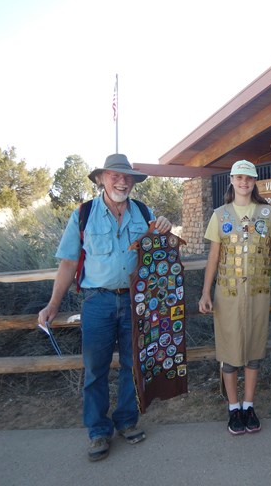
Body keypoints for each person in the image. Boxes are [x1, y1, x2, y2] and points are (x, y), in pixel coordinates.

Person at [38, 154, 172, 461]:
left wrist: (162, 228)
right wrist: (53, 303)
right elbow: (69, 262)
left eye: (127, 177)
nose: (122, 181)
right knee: (95, 369)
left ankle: (126, 421)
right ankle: (98, 431)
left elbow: (156, 252)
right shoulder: (83, 214)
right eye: (115, 175)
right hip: (97, 301)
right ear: (101, 178)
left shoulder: (142, 211)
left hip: (135, 299)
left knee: (130, 365)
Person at [198, 160, 271, 435]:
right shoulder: (220, 215)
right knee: (230, 354)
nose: (244, 182)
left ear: (255, 181)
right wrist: (206, 291)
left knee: (254, 352)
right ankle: (233, 409)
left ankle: (248, 405)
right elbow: (213, 257)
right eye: (240, 177)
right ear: (231, 179)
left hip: (257, 292)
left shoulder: (268, 213)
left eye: (249, 178)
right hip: (228, 293)